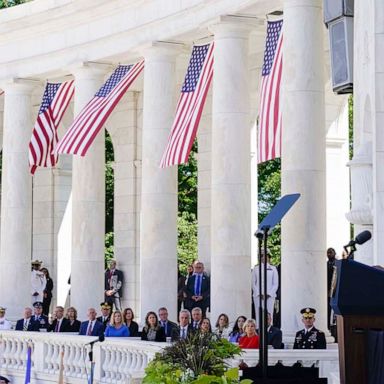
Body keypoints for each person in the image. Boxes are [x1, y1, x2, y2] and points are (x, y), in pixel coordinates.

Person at [251, 250, 279, 327]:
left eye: (265, 255)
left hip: (270, 296)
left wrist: (269, 294)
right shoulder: (256, 268)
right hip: (258, 296)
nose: (263, 257)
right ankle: (258, 329)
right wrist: (259, 294)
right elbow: (253, 283)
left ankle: (269, 329)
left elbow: (275, 284)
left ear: (268, 257)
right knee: (258, 312)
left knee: (269, 313)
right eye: (261, 256)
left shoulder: (273, 268)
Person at [327, 248, 337, 331]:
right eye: (328, 253)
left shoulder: (338, 264)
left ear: (334, 253)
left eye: (331, 252)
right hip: (327, 290)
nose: (329, 254)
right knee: (328, 309)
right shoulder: (325, 264)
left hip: (336, 290)